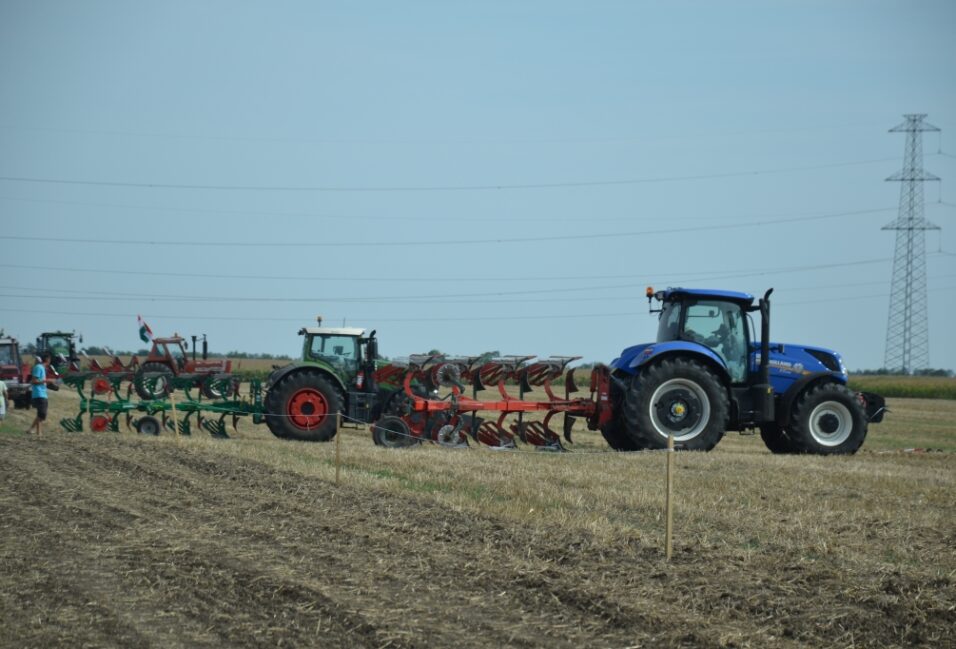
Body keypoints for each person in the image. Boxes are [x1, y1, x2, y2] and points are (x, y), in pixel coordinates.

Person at [26, 352, 54, 437]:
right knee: (42, 414)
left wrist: (49, 384)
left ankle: (35, 431)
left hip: (42, 393)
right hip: (39, 394)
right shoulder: (39, 367)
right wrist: (46, 381)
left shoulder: (42, 368)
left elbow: (39, 381)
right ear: (48, 360)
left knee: (41, 414)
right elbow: (34, 381)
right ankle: (35, 431)